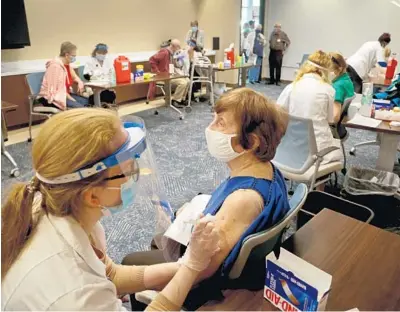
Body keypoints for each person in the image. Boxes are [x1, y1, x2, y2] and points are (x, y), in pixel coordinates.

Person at [1, 108, 220, 311]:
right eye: (127, 165)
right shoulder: (75, 291)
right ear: (92, 195)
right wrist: (191, 268)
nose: (136, 170)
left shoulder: (57, 206)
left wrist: (186, 264)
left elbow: (111, 275)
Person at [123, 88, 290, 310]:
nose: (209, 129)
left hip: (205, 286)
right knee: (158, 239)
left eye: (220, 123)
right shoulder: (266, 170)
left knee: (129, 260)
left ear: (251, 142)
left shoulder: (243, 199)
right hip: (220, 256)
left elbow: (201, 272)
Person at [277, 50, 343, 167]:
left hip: (292, 148)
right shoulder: (328, 90)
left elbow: (279, 112)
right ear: (326, 70)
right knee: (336, 150)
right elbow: (330, 120)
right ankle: (318, 183)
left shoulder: (291, 87)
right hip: (317, 150)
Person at [38, 41, 88, 110]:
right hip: (52, 97)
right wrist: (73, 100)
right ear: (67, 55)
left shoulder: (66, 65)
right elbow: (58, 90)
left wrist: (79, 82)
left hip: (64, 94)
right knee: (81, 109)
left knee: (87, 102)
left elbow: (75, 77)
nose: (75, 58)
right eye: (73, 56)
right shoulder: (55, 67)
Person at [149, 39, 191, 108]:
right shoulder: (164, 52)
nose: (179, 48)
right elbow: (152, 60)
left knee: (188, 80)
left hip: (170, 75)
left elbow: (175, 65)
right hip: (164, 77)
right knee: (183, 83)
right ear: (174, 46)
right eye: (178, 47)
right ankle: (175, 100)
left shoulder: (172, 54)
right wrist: (157, 72)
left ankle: (181, 99)